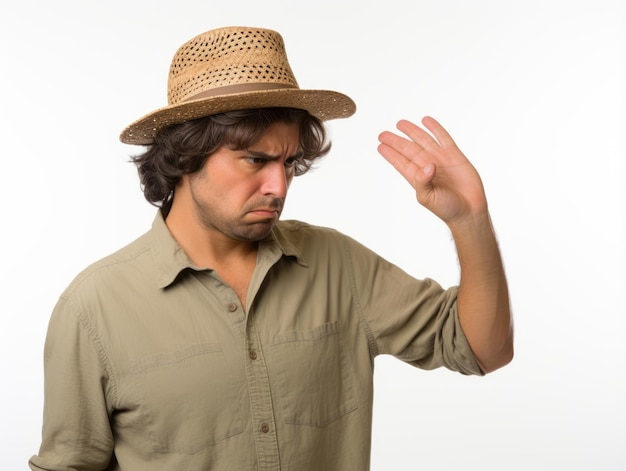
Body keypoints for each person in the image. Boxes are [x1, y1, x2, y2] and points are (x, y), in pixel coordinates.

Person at [29, 26, 513, 471]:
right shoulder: (94, 308)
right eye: (255, 160)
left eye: (289, 162)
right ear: (184, 156)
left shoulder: (337, 265)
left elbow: (483, 349)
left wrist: (469, 221)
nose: (278, 185)